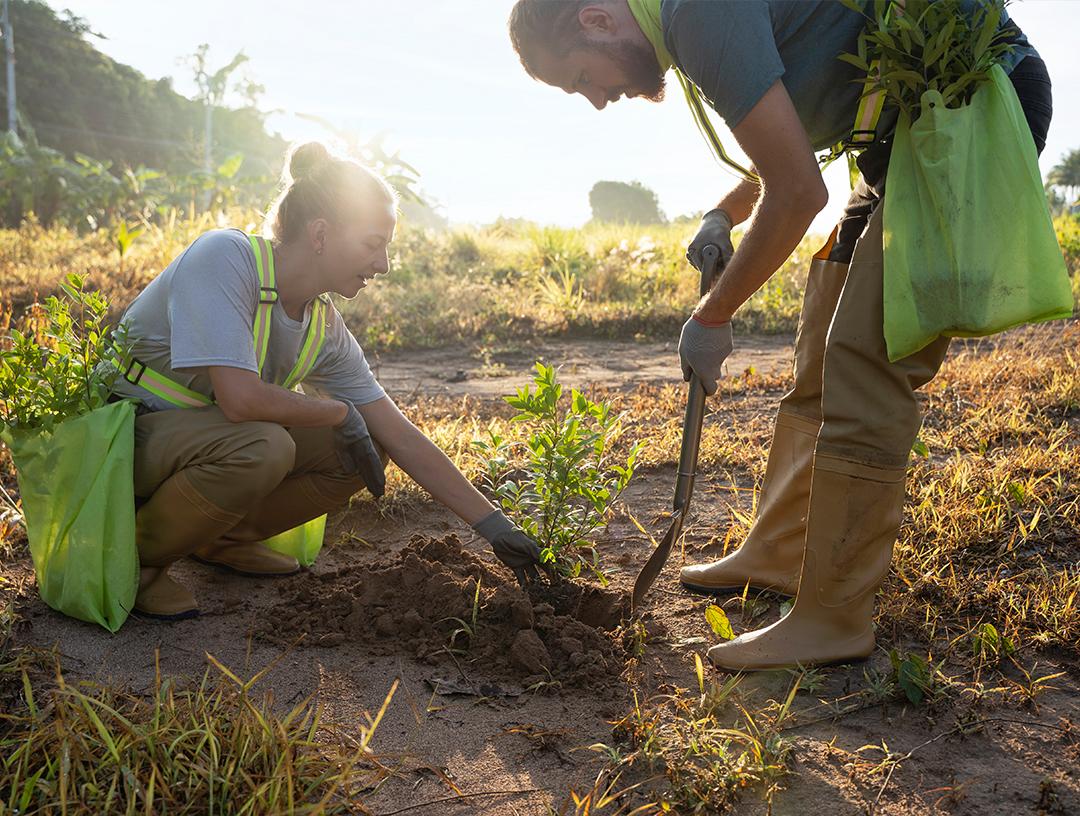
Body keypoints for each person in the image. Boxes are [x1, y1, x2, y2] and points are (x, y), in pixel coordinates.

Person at [507, 0, 1050, 670]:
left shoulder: (696, 13)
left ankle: (835, 617)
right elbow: (786, 142)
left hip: (969, 111)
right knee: (823, 346)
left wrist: (712, 316)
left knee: (866, 364)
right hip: (894, 139)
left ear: (594, 19)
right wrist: (721, 211)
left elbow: (797, 193)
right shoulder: (690, 20)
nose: (595, 101)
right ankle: (781, 551)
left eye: (578, 80)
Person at [112, 142, 544, 620]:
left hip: (198, 449)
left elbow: (399, 433)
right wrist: (338, 411)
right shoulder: (224, 258)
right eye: (372, 244)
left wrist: (494, 527)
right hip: (126, 442)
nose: (382, 265)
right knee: (266, 444)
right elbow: (239, 399)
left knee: (362, 450)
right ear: (319, 234)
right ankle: (138, 561)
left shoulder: (322, 323)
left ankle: (218, 538)